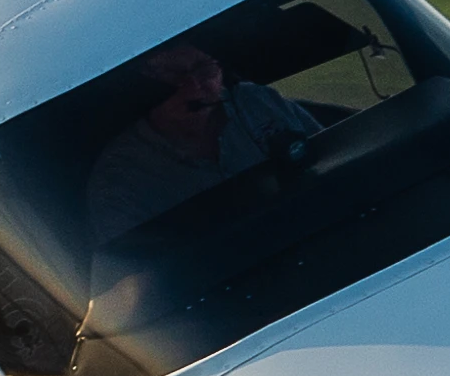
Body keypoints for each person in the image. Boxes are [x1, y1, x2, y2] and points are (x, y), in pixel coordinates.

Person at [80, 41, 318, 242]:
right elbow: (134, 274)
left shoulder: (258, 102)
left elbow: (333, 153)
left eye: (204, 70)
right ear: (139, 88)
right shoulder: (118, 178)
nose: (194, 88)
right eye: (172, 76)